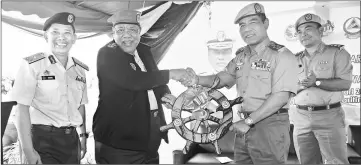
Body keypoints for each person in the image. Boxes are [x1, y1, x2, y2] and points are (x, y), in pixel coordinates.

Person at [164, 3, 299, 164]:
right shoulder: (241, 57)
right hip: (243, 126)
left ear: (266, 23)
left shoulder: (282, 56)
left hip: (268, 125)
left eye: (253, 22)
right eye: (242, 25)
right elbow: (221, 79)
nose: (247, 29)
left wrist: (249, 121)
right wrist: (196, 79)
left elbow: (281, 96)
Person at [93, 9, 193, 164]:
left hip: (150, 136)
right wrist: (173, 73)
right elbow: (133, 80)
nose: (127, 35)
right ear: (113, 33)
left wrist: (166, 96)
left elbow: (154, 78)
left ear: (140, 32)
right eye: (120, 30)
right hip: (119, 142)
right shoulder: (107, 54)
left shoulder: (144, 51)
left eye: (133, 30)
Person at [11, 12, 89, 164]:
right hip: (41, 140)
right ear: (46, 36)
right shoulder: (33, 65)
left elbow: (80, 106)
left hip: (71, 140)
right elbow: (21, 109)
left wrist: (83, 137)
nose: (62, 38)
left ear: (74, 38)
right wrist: (28, 150)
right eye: (55, 32)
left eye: (67, 33)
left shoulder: (80, 70)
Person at [292, 13, 352, 164]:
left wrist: (316, 82)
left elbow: (345, 83)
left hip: (329, 115)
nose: (303, 34)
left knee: (336, 161)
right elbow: (288, 87)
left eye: (308, 29)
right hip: (300, 117)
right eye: (299, 32)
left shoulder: (338, 53)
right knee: (307, 161)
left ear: (320, 31)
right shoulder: (294, 59)